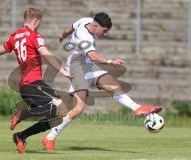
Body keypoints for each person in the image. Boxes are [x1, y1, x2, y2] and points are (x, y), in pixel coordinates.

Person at [42, 12, 162, 151]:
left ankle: (137, 108)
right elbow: (92, 55)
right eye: (104, 30)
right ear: (95, 25)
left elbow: (70, 28)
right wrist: (110, 61)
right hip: (77, 69)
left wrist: (62, 36)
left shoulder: (85, 20)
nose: (105, 34)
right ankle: (49, 137)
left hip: (86, 67)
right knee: (78, 110)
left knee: (113, 84)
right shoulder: (85, 36)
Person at [0, 7, 71, 154]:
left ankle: (21, 136)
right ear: (36, 21)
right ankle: (21, 114)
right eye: (40, 22)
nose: (40, 25)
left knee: (58, 118)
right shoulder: (34, 36)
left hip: (24, 87)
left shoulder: (15, 36)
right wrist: (62, 71)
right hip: (33, 83)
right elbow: (46, 55)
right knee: (62, 108)